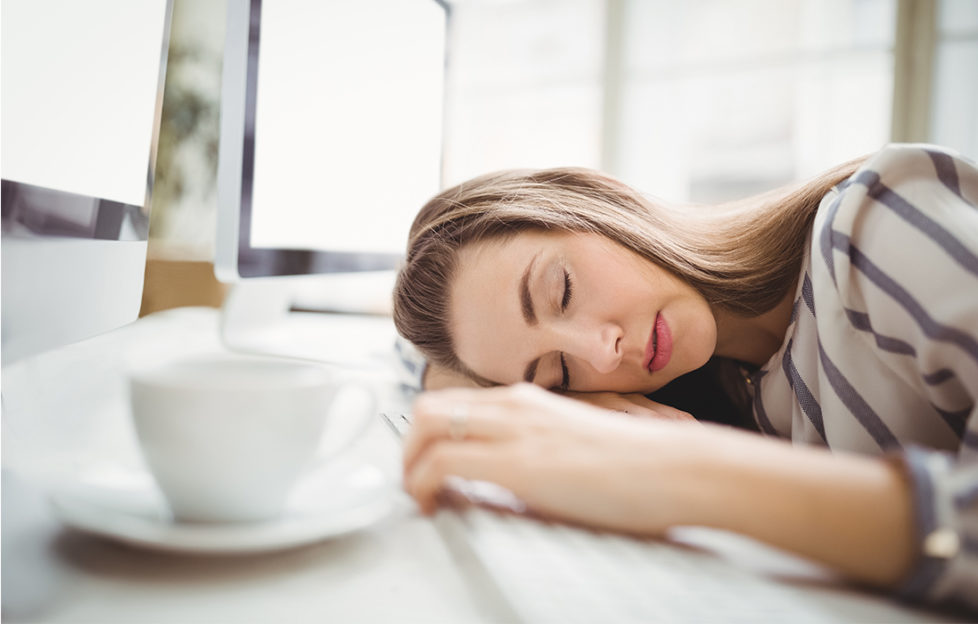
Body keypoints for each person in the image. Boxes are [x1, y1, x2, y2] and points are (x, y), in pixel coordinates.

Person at [392, 143, 978, 612]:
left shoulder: (873, 230)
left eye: (563, 290)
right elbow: (420, 370)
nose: (601, 353)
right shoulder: (733, 386)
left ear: (598, 203)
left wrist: (675, 468)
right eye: (559, 375)